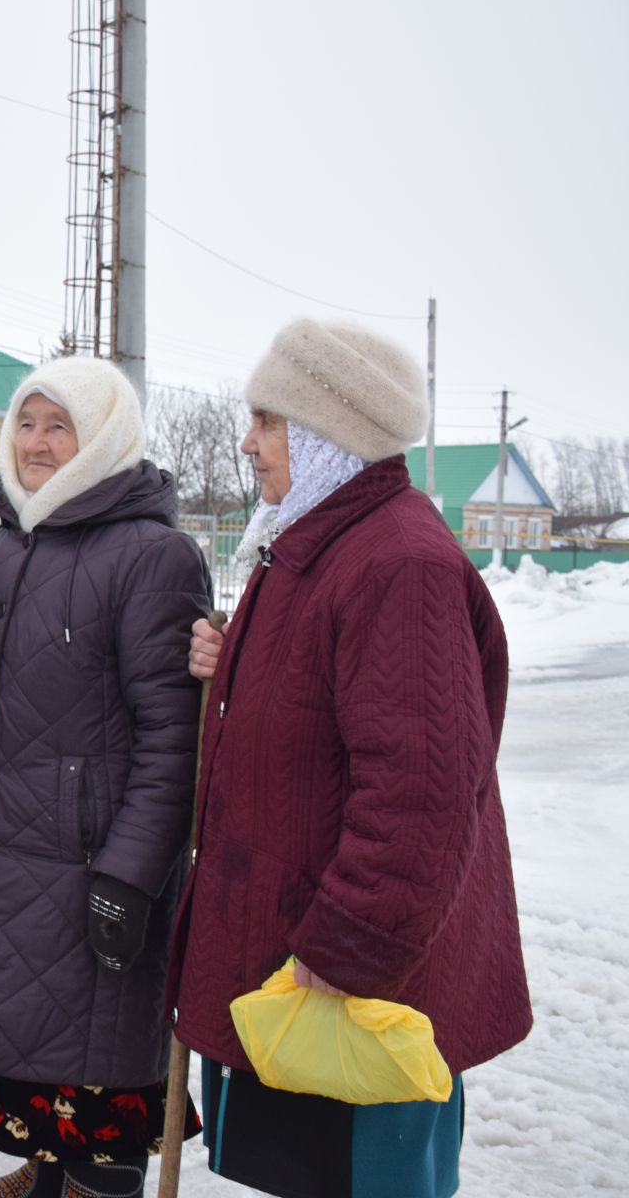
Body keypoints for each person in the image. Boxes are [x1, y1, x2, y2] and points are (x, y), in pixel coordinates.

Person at [174, 320, 532, 1198]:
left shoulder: (399, 563)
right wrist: (233, 668)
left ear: (325, 428)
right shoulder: (312, 543)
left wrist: (348, 946)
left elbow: (422, 794)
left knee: (366, 1180)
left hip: (365, 981)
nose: (248, 442)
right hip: (308, 958)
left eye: (267, 420)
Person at [0, 358, 211, 1198]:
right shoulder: (3, 550)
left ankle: (90, 1188)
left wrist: (132, 878)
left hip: (92, 867)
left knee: (99, 1074)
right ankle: (44, 1178)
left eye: (58, 425)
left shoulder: (154, 556)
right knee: (33, 1058)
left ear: (102, 436)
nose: (35, 443)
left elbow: (173, 739)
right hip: (6, 856)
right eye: (26, 423)